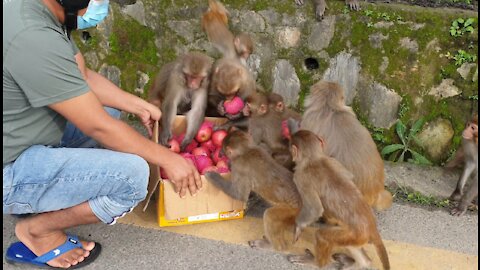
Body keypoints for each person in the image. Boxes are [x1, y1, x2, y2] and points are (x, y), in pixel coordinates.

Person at [3, 0, 202, 268]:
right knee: (132, 176)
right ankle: (38, 230)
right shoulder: (33, 36)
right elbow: (97, 126)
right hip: (9, 166)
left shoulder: (40, 9)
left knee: (110, 111)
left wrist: (136, 104)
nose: (101, 5)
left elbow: (80, 75)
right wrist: (168, 159)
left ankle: (40, 195)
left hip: (16, 133)